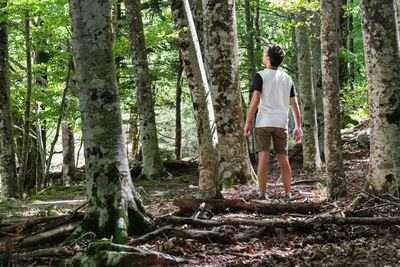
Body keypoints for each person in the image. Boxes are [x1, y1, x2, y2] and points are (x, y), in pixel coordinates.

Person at [244, 44, 302, 201]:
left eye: (264, 53)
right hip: (281, 123)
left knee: (263, 157)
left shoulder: (260, 76)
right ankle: (288, 194)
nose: (263, 55)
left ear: (268, 58)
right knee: (283, 158)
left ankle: (262, 194)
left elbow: (255, 100)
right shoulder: (287, 78)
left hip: (263, 122)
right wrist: (298, 126)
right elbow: (294, 104)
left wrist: (248, 121)